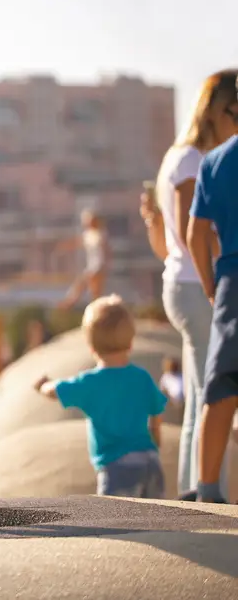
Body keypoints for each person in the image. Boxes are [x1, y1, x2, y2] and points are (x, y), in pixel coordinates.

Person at [140, 69, 238, 498]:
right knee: (210, 392)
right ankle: (201, 492)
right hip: (200, 283)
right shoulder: (195, 160)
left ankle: (192, 490)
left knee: (203, 392)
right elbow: (187, 231)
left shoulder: (185, 158)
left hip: (185, 280)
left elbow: (165, 241)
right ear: (222, 109)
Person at [35, 295, 167, 498]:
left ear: (92, 347)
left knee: (114, 524)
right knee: (155, 523)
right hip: (150, 463)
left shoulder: (90, 383)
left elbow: (57, 391)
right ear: (131, 342)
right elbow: (156, 410)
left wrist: (43, 385)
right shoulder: (142, 377)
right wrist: (155, 439)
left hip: (116, 468)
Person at [186, 72, 238, 503]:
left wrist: (210, 285)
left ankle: (207, 489)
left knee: (221, 385)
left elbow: (196, 234)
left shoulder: (214, 161)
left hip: (232, 282)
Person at [56, 210, 110, 310]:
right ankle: (71, 303)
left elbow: (106, 250)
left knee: (89, 286)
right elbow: (78, 241)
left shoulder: (100, 234)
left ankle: (69, 303)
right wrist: (65, 246)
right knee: (91, 288)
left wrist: (106, 265)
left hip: (98, 266)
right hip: (92, 266)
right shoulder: (89, 234)